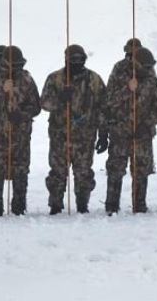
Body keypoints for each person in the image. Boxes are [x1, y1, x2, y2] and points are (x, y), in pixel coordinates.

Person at [40, 45, 107, 214]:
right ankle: (55, 204)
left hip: (85, 136)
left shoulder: (94, 79)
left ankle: (82, 204)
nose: (77, 63)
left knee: (84, 172)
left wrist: (103, 134)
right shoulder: (55, 79)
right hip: (60, 135)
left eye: (80, 60)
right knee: (57, 172)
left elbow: (103, 108)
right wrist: (60, 98)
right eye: (73, 60)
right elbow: (44, 104)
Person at [0, 46, 41, 216]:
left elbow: (36, 106)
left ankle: (19, 207)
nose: (16, 69)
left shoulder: (26, 78)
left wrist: (21, 115)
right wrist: (3, 93)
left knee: (21, 169)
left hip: (20, 134)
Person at [104, 47, 157, 214]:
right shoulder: (119, 77)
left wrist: (147, 123)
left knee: (141, 171)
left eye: (150, 67)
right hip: (120, 133)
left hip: (142, 135)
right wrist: (128, 89)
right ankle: (111, 205)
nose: (148, 70)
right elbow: (108, 102)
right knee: (116, 170)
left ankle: (139, 205)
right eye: (144, 66)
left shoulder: (154, 83)